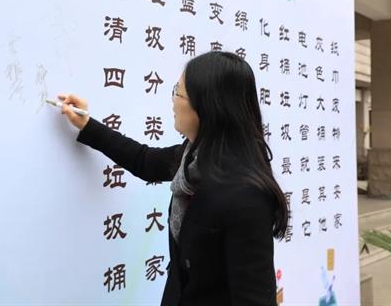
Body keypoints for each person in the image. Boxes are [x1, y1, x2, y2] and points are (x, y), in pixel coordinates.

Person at [59, 51, 289, 306]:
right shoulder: (194, 159)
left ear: (207, 107)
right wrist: (87, 124)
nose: (172, 100)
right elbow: (144, 161)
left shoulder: (246, 197)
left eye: (178, 92)